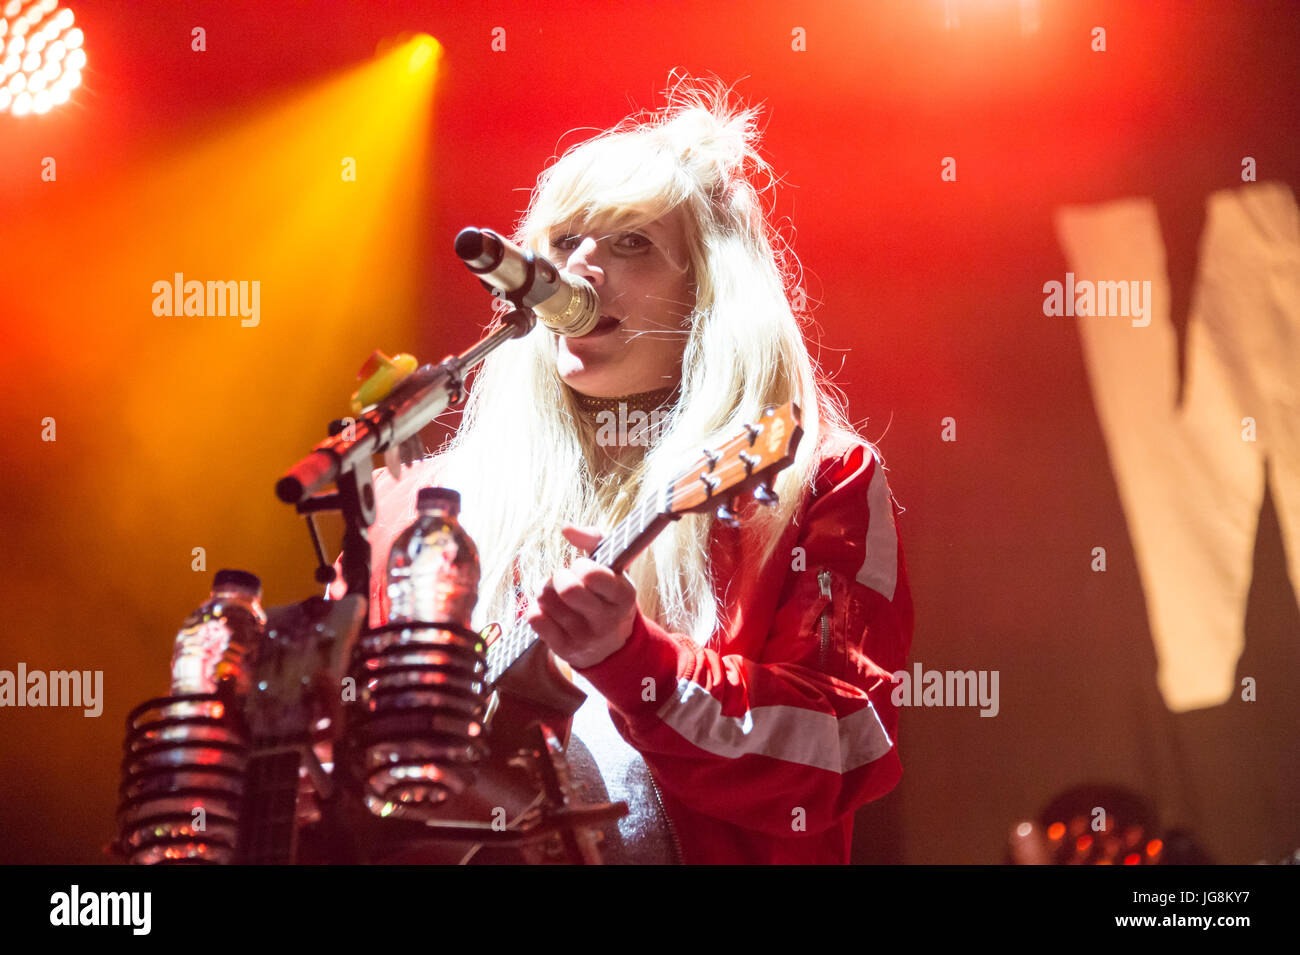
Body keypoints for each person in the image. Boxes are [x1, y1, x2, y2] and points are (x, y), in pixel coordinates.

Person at [328, 74, 914, 864]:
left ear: (708, 288)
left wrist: (638, 660)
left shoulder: (815, 481)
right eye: (564, 243)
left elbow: (840, 747)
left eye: (631, 242)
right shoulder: (428, 513)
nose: (583, 269)